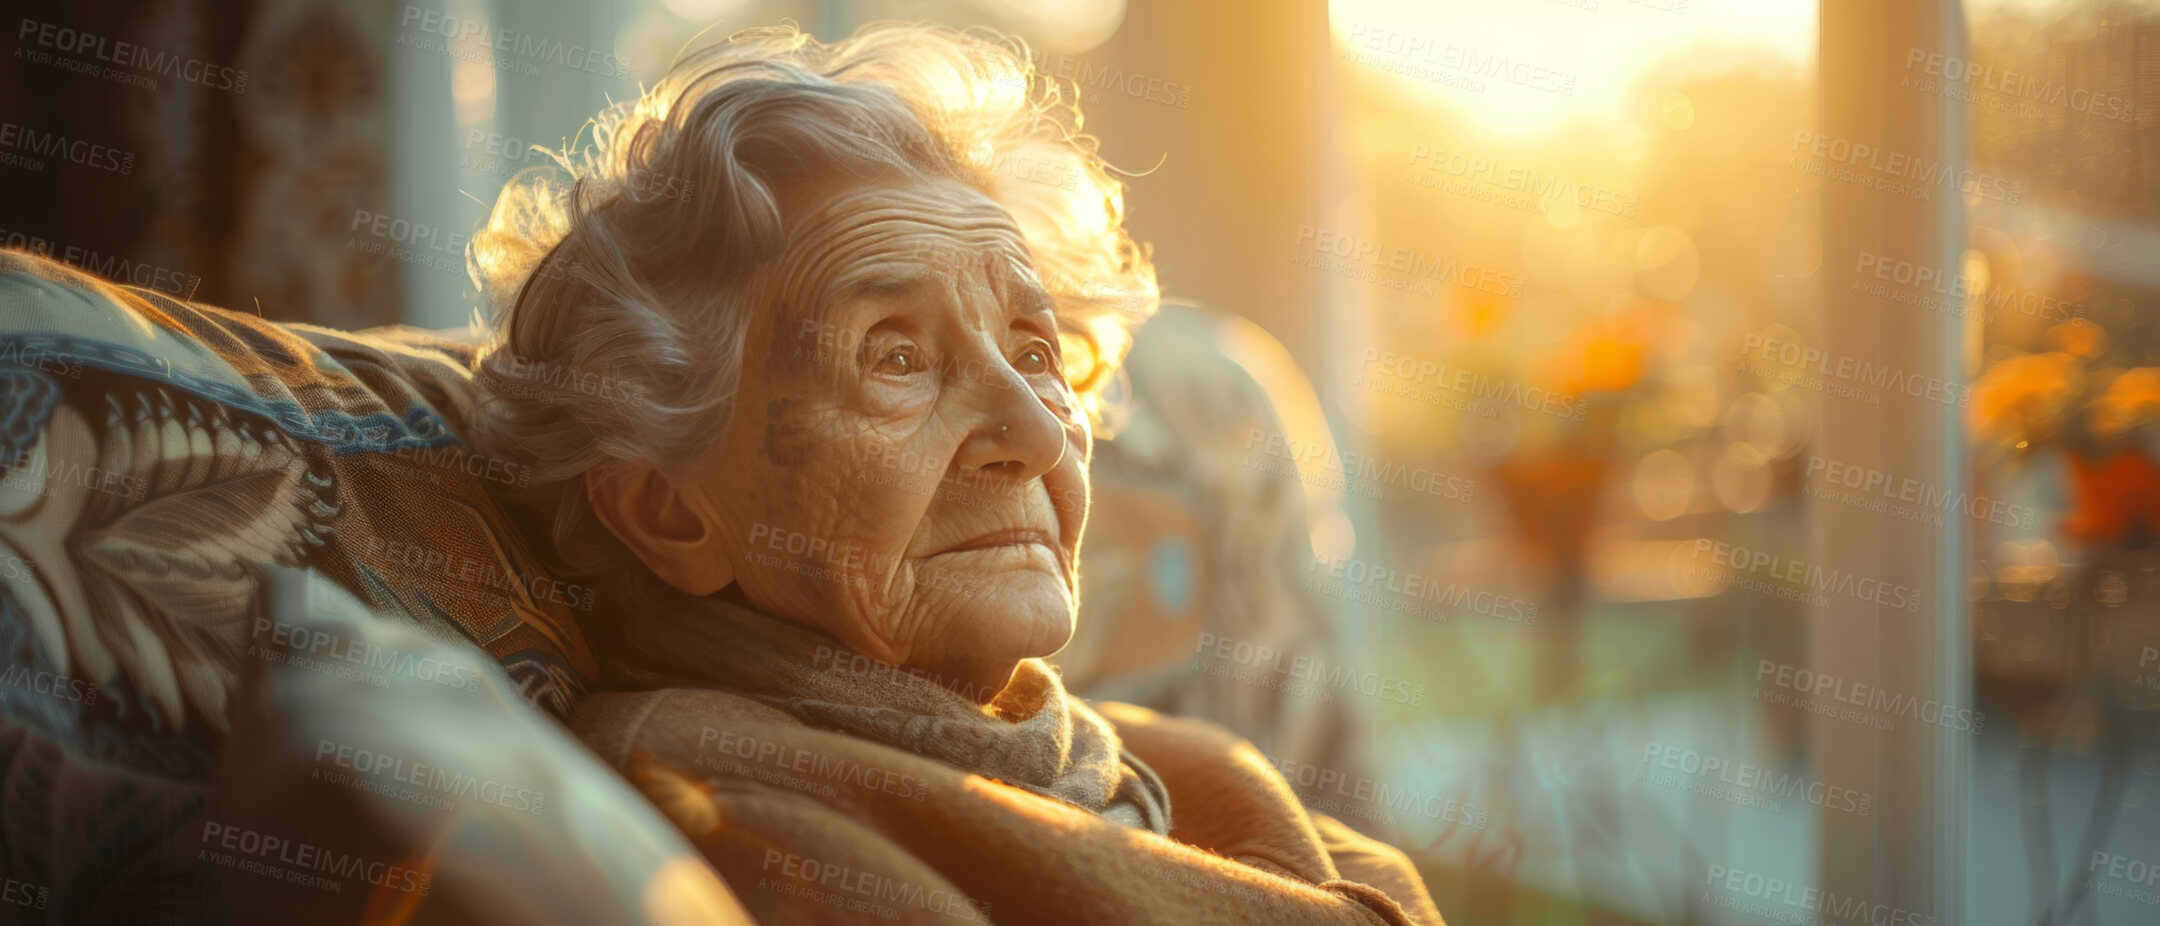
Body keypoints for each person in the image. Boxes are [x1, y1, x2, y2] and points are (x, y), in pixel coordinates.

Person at [468, 22, 1443, 925]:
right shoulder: (721, 809)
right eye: (895, 356)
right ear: (668, 507)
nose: (1035, 431)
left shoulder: (1183, 761)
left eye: (1033, 352)